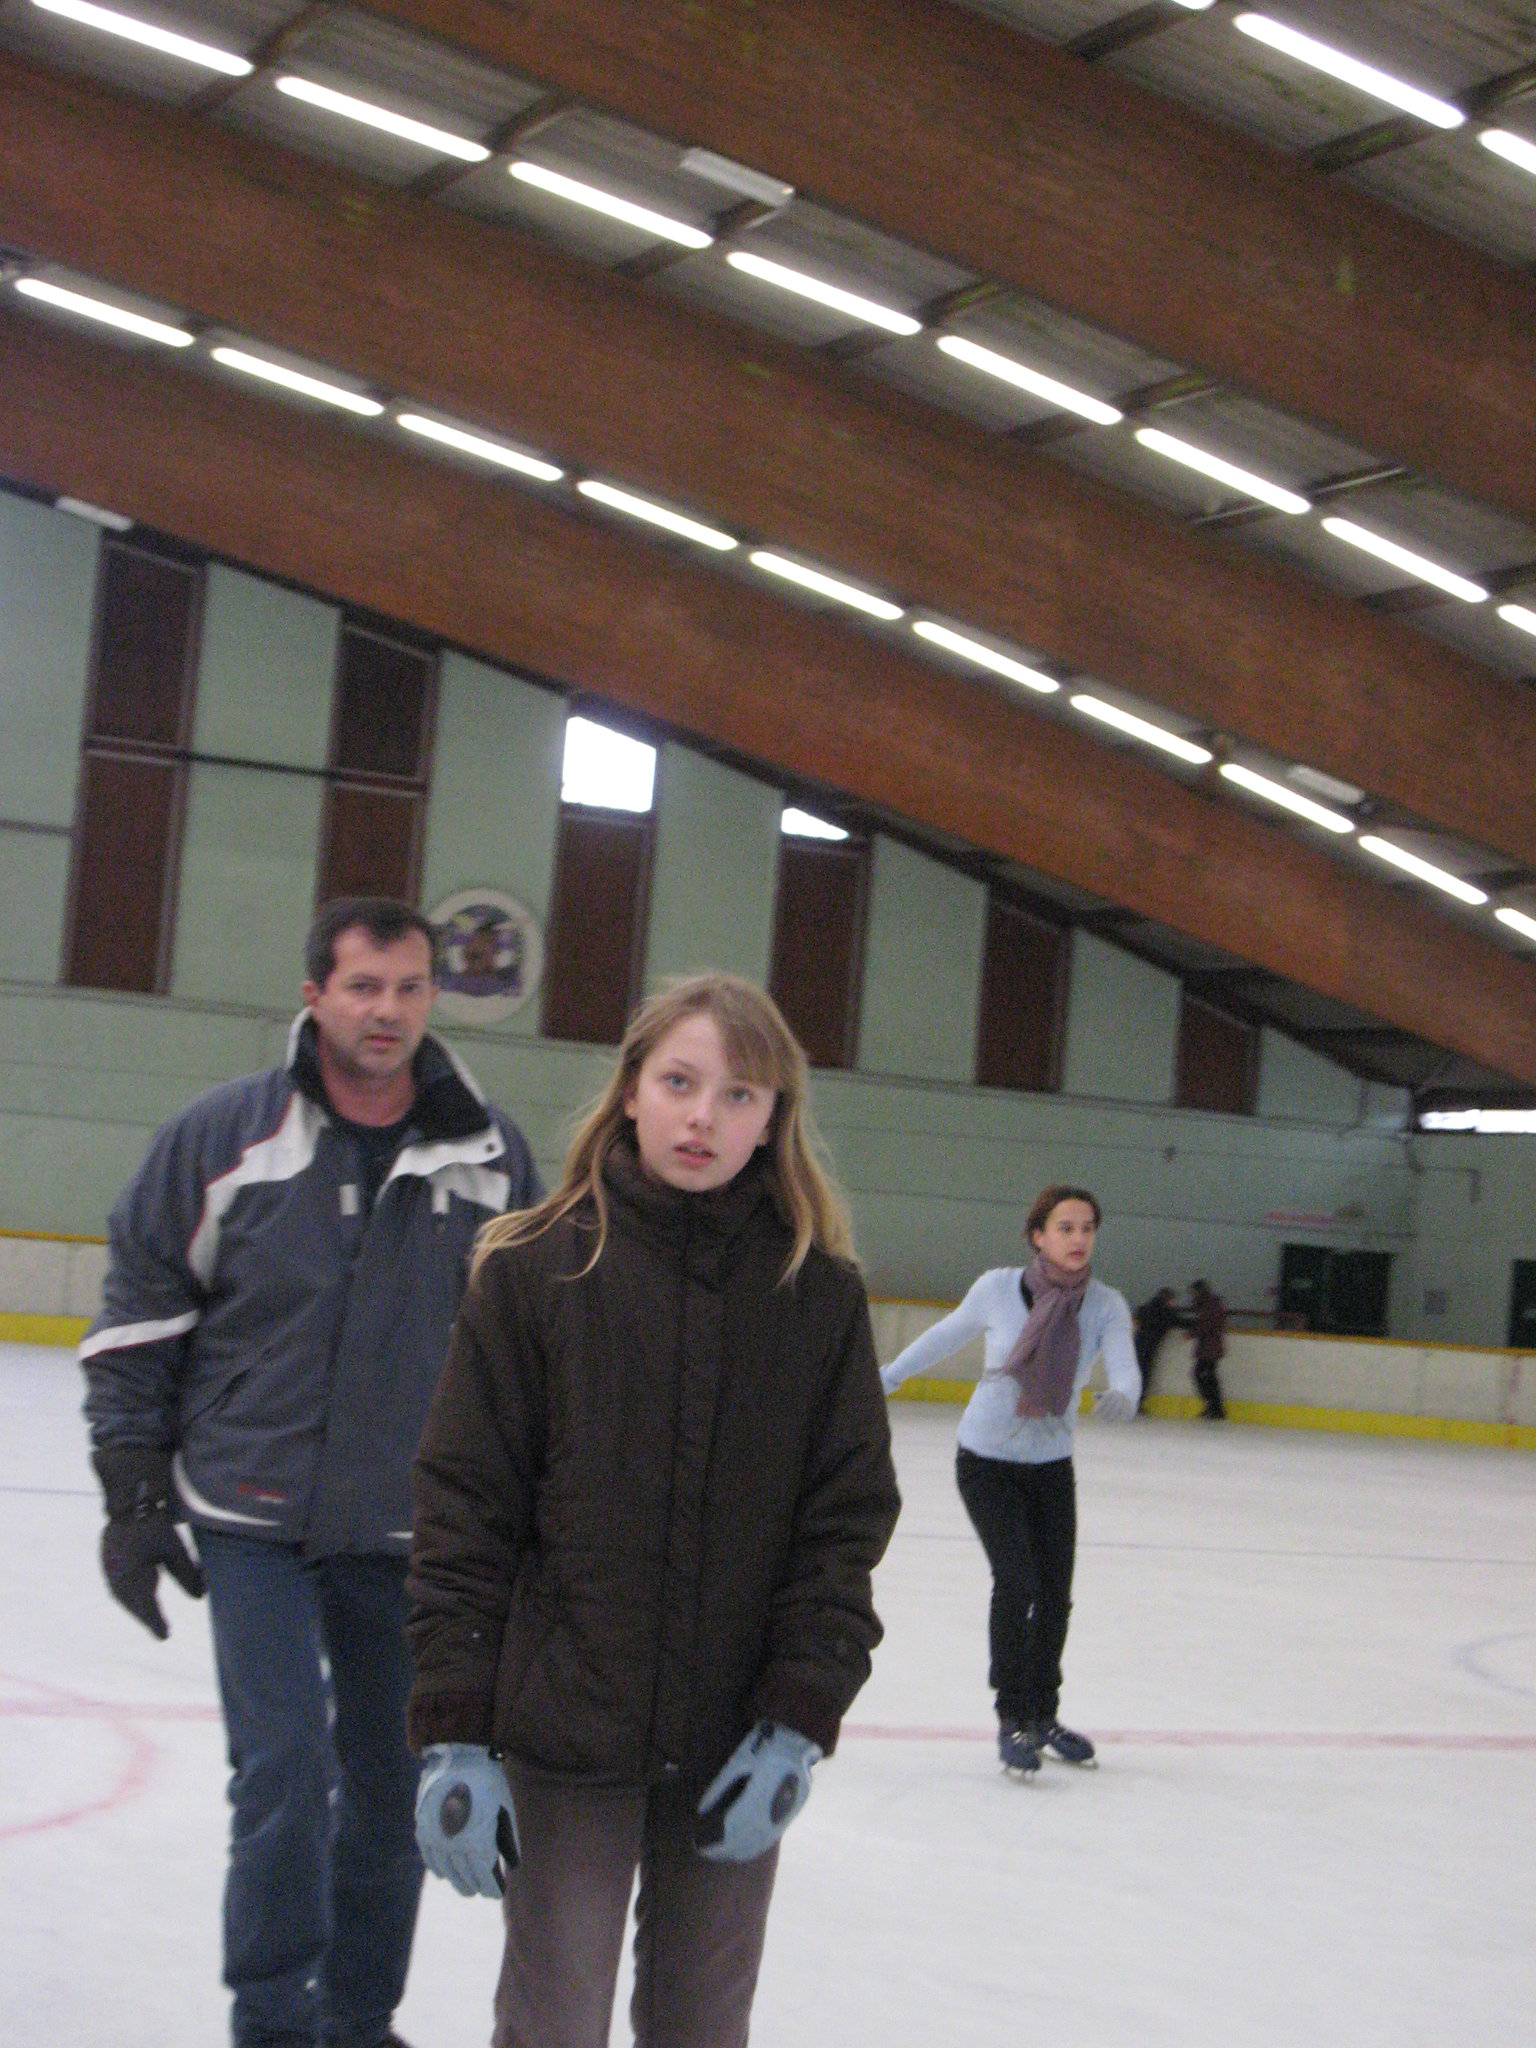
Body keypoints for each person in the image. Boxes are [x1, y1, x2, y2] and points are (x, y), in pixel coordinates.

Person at [405, 973, 901, 2048]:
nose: (703, 1116)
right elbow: (465, 1511)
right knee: (554, 2021)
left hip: (736, 1736)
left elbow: (844, 1522)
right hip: (566, 1734)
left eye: (740, 1094)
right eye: (680, 1081)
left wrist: (798, 1716)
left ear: (775, 1118)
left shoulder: (817, 1296)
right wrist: (456, 1731)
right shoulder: (534, 1271)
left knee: (701, 2024)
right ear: (631, 1089)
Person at [80, 896, 541, 2048]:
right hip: (254, 1512)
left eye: (408, 987)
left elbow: (532, 1351)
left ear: (434, 994)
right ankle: (273, 2020)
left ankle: (357, 2017)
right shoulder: (225, 1137)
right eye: (362, 987)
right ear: (315, 996)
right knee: (284, 1776)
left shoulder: (491, 1154)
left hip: (408, 1526)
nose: (386, 1011)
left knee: (391, 1798)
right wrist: (135, 1491)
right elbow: (143, 1312)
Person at [880, 1184, 1139, 1776]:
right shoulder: (997, 1288)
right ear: (1038, 1236)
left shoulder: (1104, 1305)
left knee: (1055, 1596)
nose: (1078, 1239)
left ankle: (1044, 1714)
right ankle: (1012, 1718)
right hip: (986, 1461)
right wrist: (892, 1374)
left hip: (1051, 1467)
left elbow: (1123, 1360)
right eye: (1065, 1227)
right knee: (1017, 1582)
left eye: (1087, 1229)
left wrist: (1126, 1391)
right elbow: (948, 1334)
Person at [1133, 1284, 1183, 1411]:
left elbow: (1139, 1313)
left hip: (1138, 1346)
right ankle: (1136, 1402)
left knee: (1136, 1374)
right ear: (1168, 1299)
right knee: (1143, 1375)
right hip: (1148, 1348)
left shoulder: (1148, 1308)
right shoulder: (1165, 1313)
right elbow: (1178, 1321)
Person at [1189, 1278, 1229, 1420]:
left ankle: (1214, 1407)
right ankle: (1214, 1408)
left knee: (1202, 1375)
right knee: (1208, 1376)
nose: (1191, 1295)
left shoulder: (1209, 1305)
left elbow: (1206, 1324)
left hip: (1210, 1347)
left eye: (1193, 1292)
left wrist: (1191, 1333)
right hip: (1210, 1346)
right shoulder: (1209, 1304)